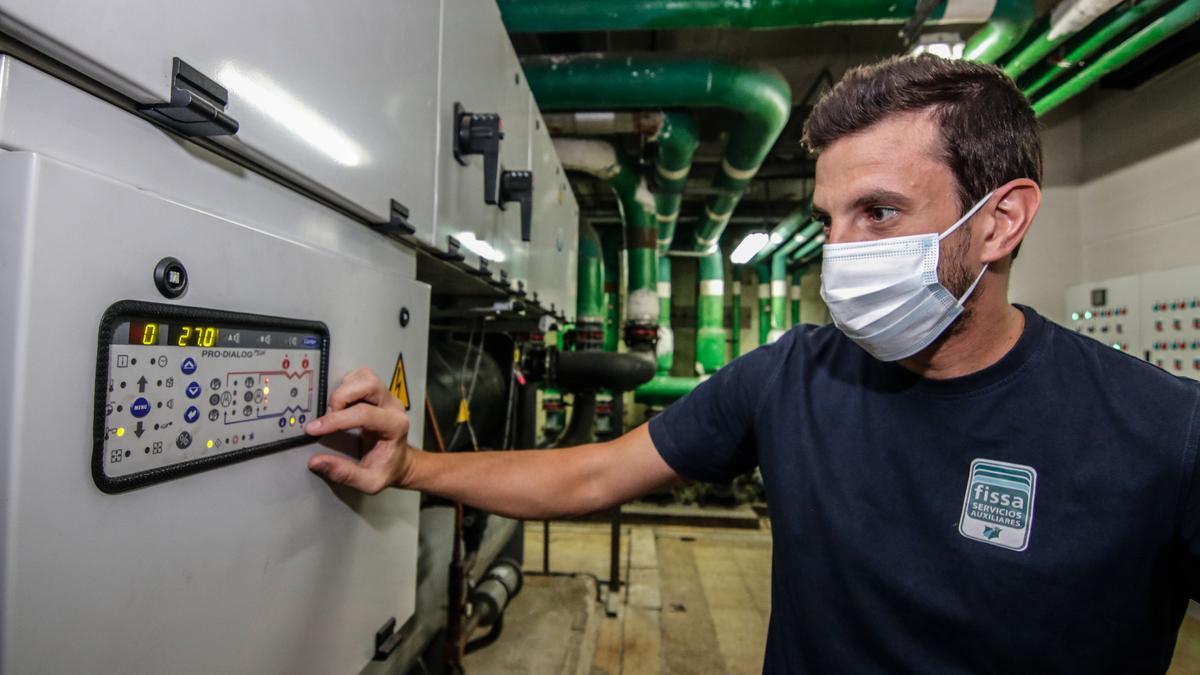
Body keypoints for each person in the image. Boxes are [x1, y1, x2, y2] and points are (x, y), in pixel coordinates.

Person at [304, 55, 1200, 673]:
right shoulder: (791, 375)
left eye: (879, 212)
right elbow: (590, 474)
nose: (839, 251)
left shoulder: (1164, 430)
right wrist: (413, 464)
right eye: (831, 217)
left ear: (1001, 221)